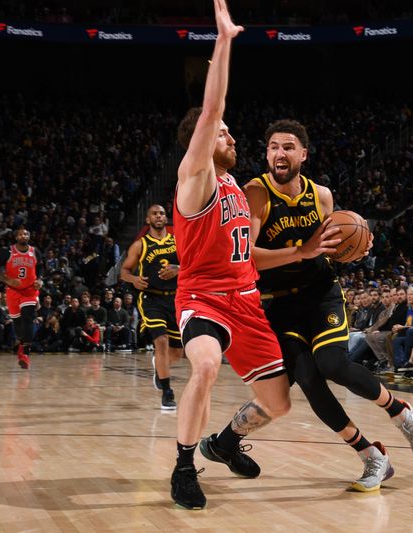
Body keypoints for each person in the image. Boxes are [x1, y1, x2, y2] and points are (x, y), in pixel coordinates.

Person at [243, 118, 413, 491]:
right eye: (272, 148)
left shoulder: (322, 196)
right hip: (278, 305)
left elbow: (338, 244)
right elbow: (248, 257)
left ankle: (403, 413)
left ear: (303, 154)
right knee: (310, 380)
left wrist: (357, 249)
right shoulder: (256, 192)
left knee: (333, 363)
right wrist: (302, 250)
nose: (278, 154)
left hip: (320, 294)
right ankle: (371, 456)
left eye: (286, 147)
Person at [169, 0, 291, 510]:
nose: (230, 133)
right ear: (200, 142)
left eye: (227, 131)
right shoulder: (195, 180)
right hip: (204, 299)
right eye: (221, 132)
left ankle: (223, 442)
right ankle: (183, 465)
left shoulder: (237, 186)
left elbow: (248, 255)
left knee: (278, 403)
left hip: (247, 302)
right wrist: (223, 42)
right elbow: (212, 109)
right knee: (204, 367)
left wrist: (302, 250)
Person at [121, 204, 182, 410]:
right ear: (148, 220)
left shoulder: (177, 241)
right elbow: (124, 271)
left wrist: (179, 269)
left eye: (162, 213)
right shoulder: (140, 245)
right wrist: (134, 279)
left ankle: (160, 368)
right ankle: (167, 392)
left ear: (166, 218)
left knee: (176, 353)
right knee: (161, 342)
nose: (159, 216)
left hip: (174, 299)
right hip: (151, 298)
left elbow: (193, 265)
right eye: (154, 214)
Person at [0, 227, 43, 369]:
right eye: (20, 234)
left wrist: (40, 280)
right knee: (18, 326)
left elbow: (41, 268)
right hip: (13, 291)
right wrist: (7, 280)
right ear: (16, 237)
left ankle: (25, 352)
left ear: (29, 236)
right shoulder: (7, 252)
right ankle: (22, 344)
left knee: (28, 317)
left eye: (26, 233)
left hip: (30, 290)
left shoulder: (35, 252)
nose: (23, 235)